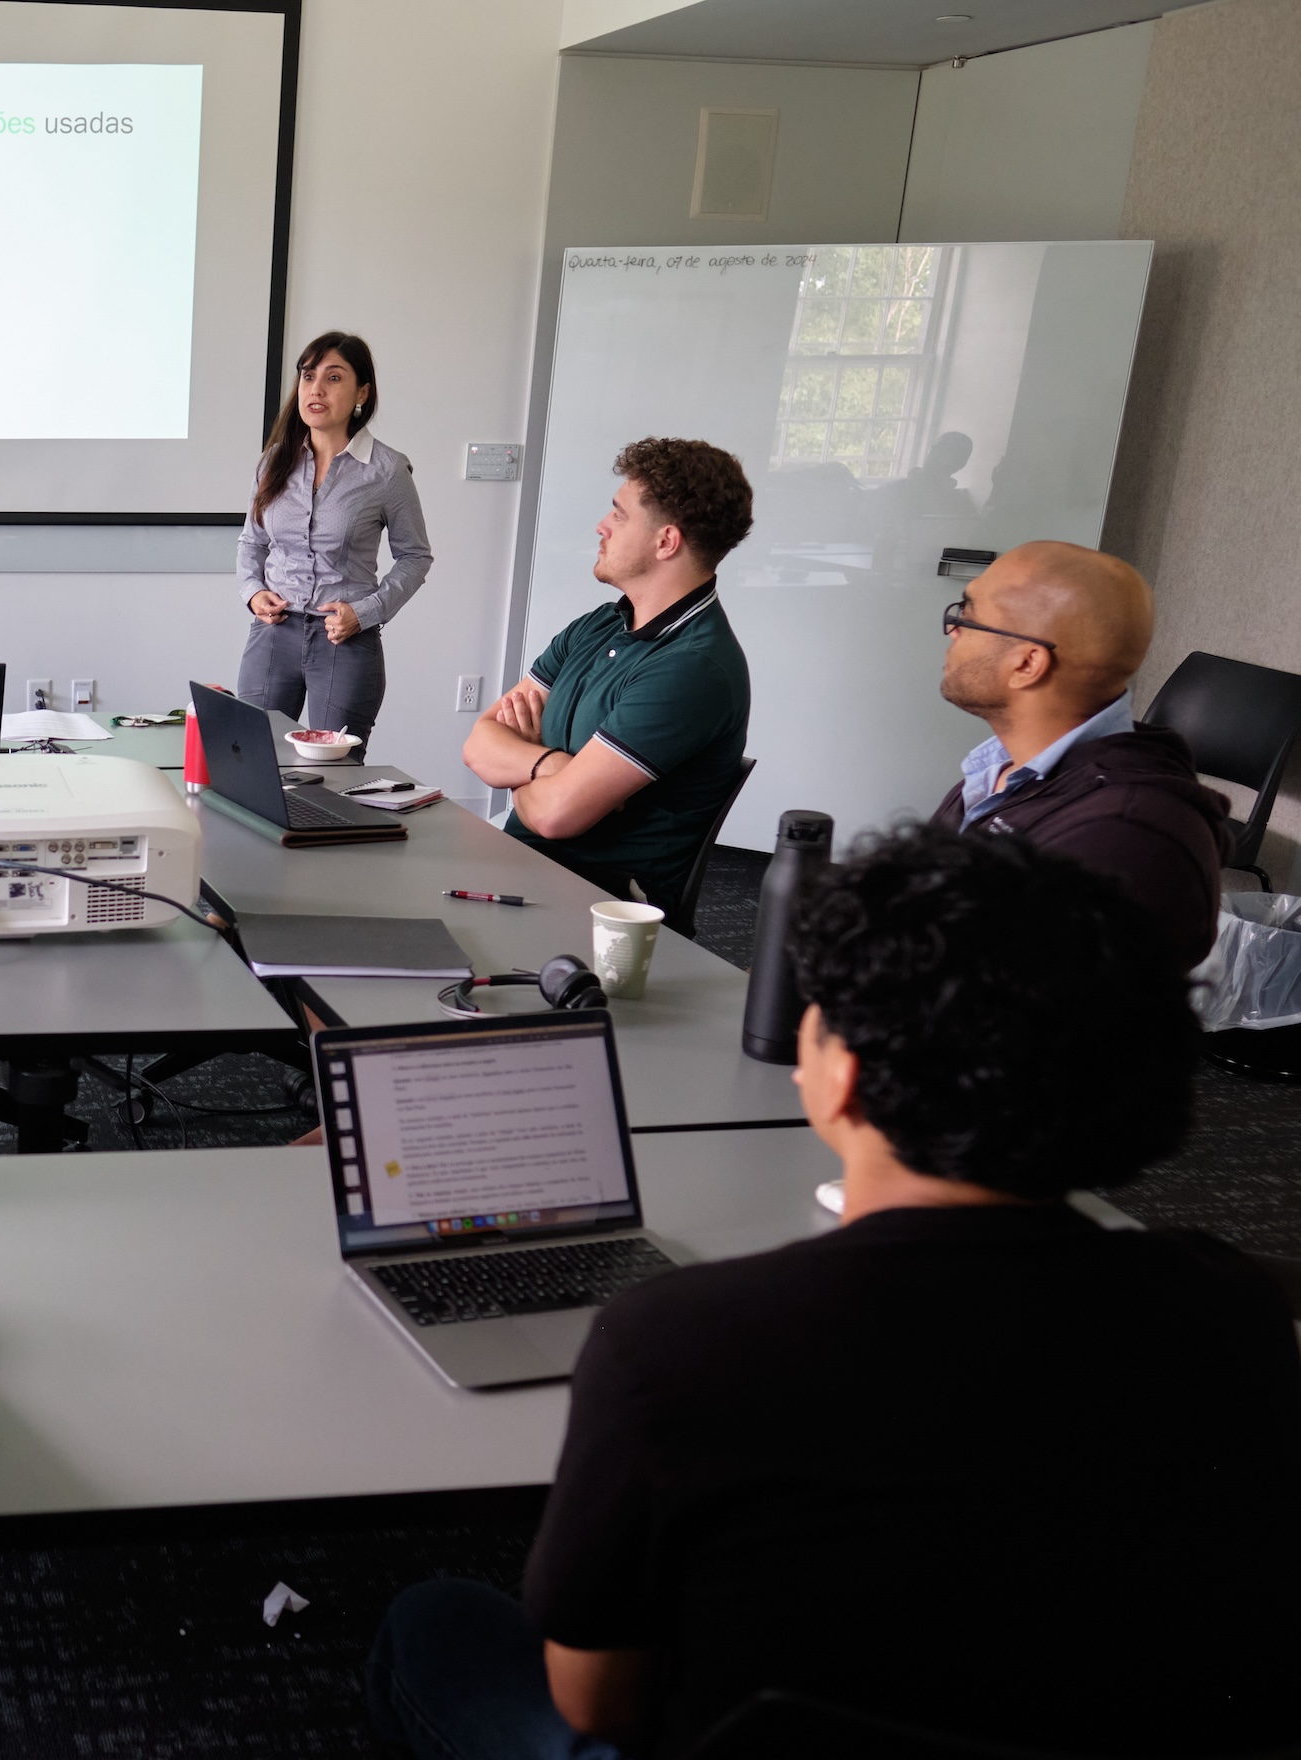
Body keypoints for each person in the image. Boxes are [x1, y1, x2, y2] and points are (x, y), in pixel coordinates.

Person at [365, 828, 1301, 1759]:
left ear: (841, 1076)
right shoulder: (1235, 1307)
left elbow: (595, 1700)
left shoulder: (677, 1341)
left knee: (432, 1620)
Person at [464, 439, 754, 907]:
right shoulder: (599, 623)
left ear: (666, 541)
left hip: (592, 907)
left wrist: (520, 765)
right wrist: (550, 767)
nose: (602, 526)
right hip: (523, 866)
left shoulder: (692, 668)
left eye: (619, 515)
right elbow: (479, 743)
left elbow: (559, 816)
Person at [930, 539, 1229, 971]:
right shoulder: (998, 772)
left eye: (968, 615)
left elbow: (999, 1018)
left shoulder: (1123, 838)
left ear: (1027, 664)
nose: (954, 629)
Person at [237, 331, 432, 748]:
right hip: (274, 633)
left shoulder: (387, 470)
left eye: (334, 377)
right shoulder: (275, 462)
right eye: (308, 377)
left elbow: (415, 557)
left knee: (333, 774)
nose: (316, 389)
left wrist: (365, 612)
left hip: (343, 640)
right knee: (252, 754)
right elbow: (252, 542)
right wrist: (253, 592)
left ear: (362, 391)